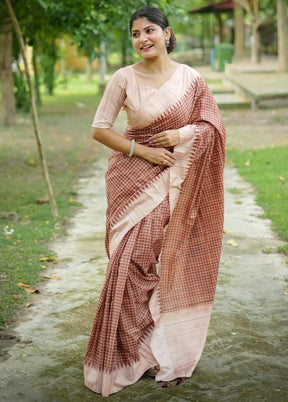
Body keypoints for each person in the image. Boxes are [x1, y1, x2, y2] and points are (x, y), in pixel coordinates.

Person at [84, 6, 226, 397]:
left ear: (167, 33)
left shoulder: (191, 79)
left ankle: (164, 349)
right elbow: (99, 129)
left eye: (150, 30)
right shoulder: (123, 77)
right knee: (131, 264)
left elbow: (212, 125)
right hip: (133, 179)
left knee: (164, 262)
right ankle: (131, 352)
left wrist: (180, 135)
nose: (142, 38)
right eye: (135, 34)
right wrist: (142, 151)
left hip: (178, 181)